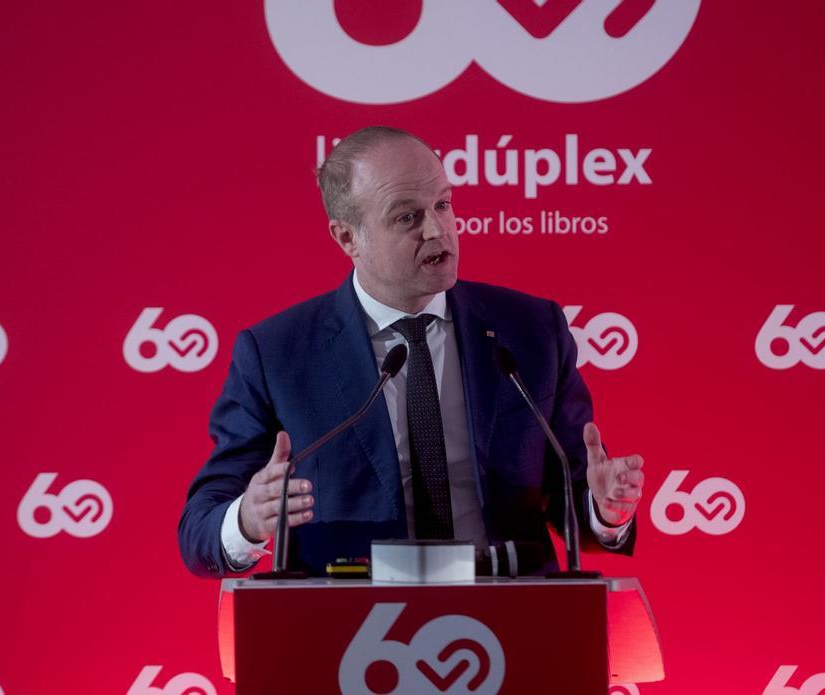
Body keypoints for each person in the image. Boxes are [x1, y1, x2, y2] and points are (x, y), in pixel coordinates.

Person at [178, 126, 645, 577]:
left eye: (442, 204)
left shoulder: (530, 331)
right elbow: (199, 531)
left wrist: (605, 509)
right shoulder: (277, 353)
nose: (437, 230)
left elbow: (575, 492)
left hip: (510, 617)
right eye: (407, 217)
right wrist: (247, 519)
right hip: (351, 630)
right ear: (347, 238)